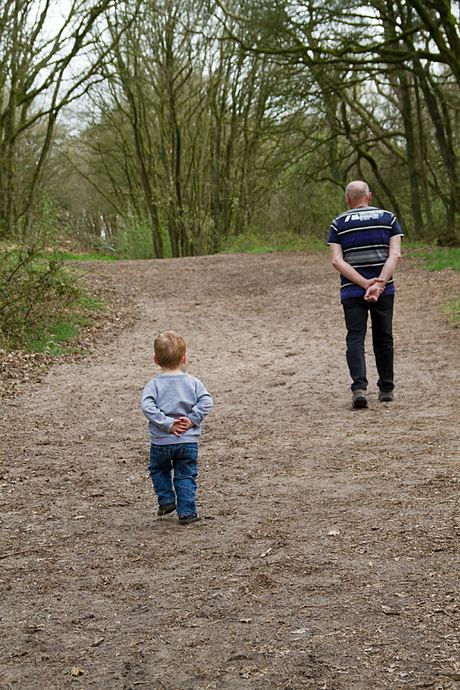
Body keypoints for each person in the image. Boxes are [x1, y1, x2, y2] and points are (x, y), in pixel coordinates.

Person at [327, 181, 403, 409]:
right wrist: (378, 284)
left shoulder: (339, 223)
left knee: (355, 338)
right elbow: (395, 255)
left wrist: (362, 283)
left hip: (352, 290)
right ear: (369, 197)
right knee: (383, 336)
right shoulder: (388, 218)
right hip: (384, 289)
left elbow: (336, 260)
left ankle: (359, 388)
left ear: (348, 199)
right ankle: (387, 388)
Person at [141, 331, 213, 524]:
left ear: (155, 359)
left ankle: (166, 500)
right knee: (186, 475)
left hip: (161, 442)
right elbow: (206, 401)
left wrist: (166, 424)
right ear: (184, 357)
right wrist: (192, 419)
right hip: (187, 441)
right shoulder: (193, 383)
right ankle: (187, 512)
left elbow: (147, 407)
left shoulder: (153, 385)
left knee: (158, 469)